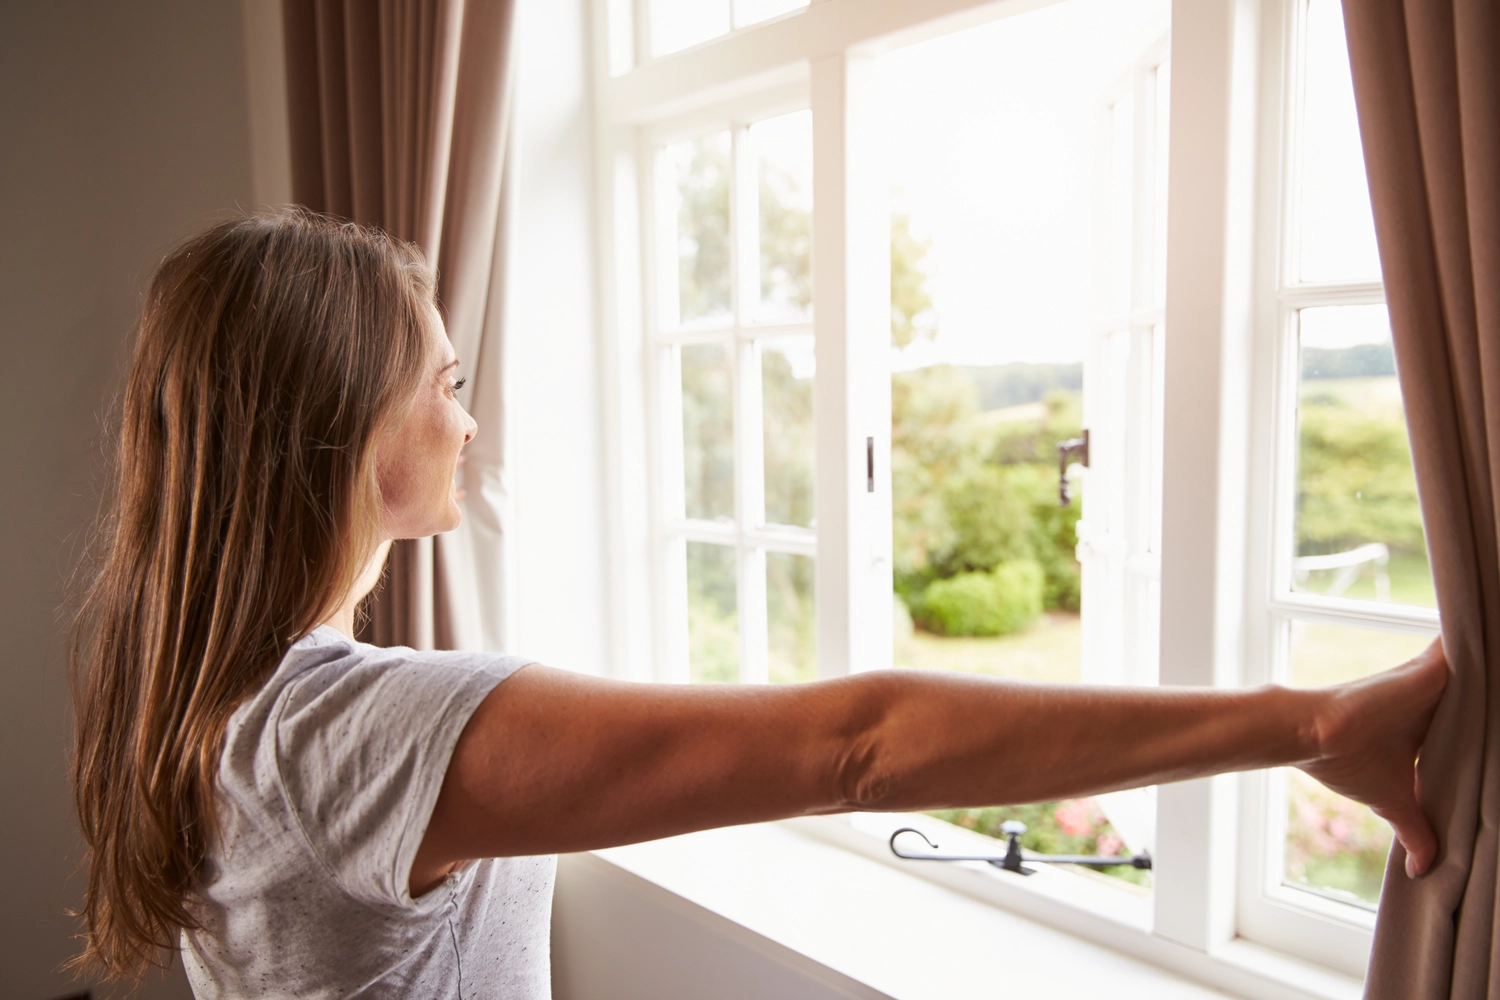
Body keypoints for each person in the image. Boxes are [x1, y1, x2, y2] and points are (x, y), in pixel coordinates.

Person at [70, 210, 1448, 998]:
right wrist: (1310, 719)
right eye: (444, 384)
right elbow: (859, 746)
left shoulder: (215, 685)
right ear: (349, 426)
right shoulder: (348, 732)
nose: (468, 419)